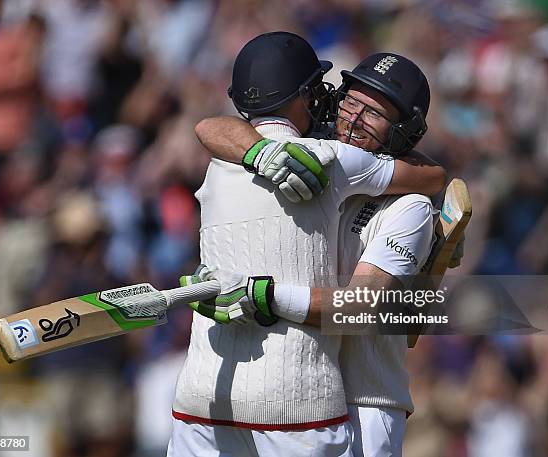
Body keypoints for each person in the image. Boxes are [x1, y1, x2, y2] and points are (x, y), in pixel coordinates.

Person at [167, 33, 445, 457]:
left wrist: (266, 294)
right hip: (305, 393)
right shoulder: (312, 157)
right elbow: (210, 125)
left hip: (366, 401)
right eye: (352, 100)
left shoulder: (407, 207)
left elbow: (359, 308)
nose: (353, 118)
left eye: (374, 113)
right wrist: (260, 153)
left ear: (403, 130)